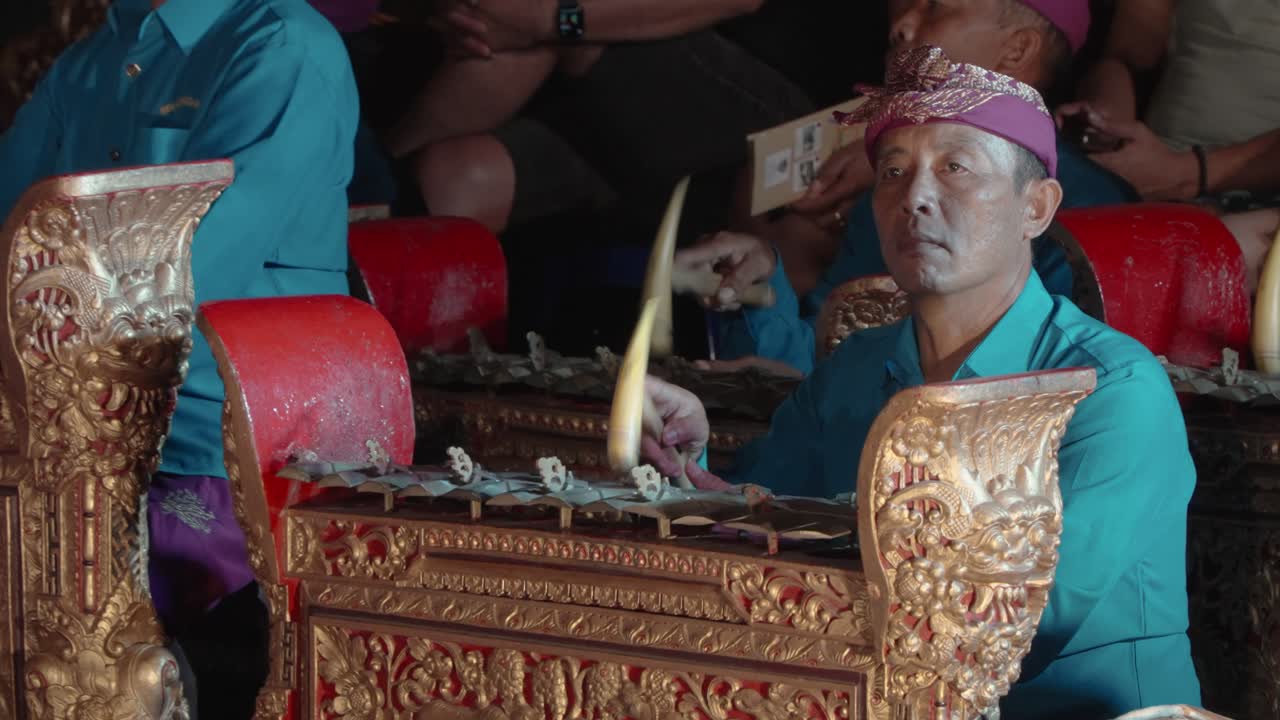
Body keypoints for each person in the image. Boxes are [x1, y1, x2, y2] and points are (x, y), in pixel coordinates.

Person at [642, 46, 1200, 719]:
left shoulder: (1111, 391)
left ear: (1036, 207)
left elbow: (1026, 616)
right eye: (894, 172)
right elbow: (762, 515)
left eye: (955, 168)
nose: (915, 198)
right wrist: (689, 461)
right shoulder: (856, 371)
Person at [0, 0, 358, 717]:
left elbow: (182, 277)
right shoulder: (92, 61)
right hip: (73, 432)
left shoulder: (281, 46)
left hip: (228, 453)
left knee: (59, 599)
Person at [680, 0, 1136, 376]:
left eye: (935, 7)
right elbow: (827, 368)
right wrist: (763, 285)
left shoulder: (1093, 214)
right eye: (895, 171)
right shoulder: (894, 193)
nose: (901, 25)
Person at [1059, 0, 1280, 201]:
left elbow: (1180, 179)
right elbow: (1124, 59)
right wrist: (1105, 120)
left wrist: (1188, 175)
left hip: (1259, 198)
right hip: (1152, 165)